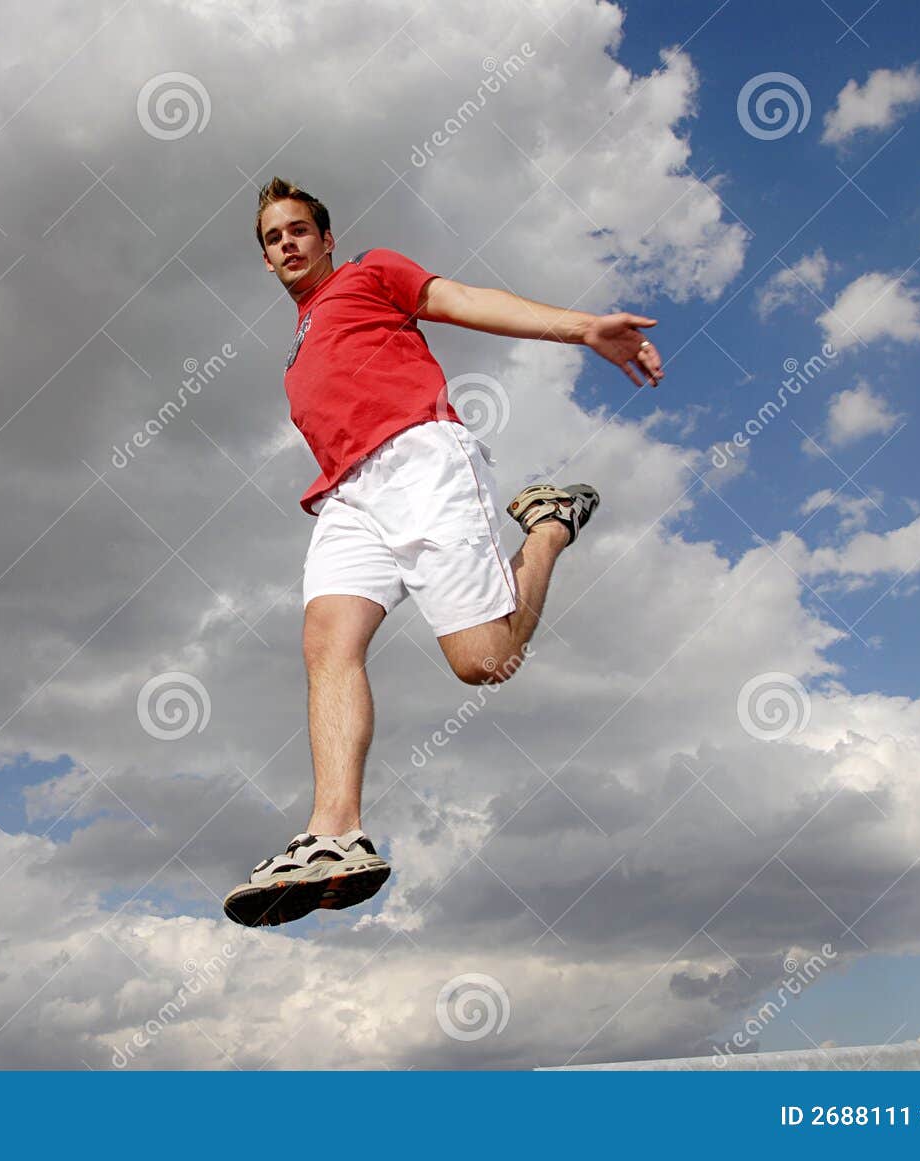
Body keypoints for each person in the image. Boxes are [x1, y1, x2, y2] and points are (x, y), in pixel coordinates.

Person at [222, 177, 663, 927]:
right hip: (347, 495)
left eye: (299, 229)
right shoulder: (297, 348)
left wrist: (582, 326)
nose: (287, 242)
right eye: (273, 237)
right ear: (266, 261)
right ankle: (334, 832)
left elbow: (465, 299)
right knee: (326, 641)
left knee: (482, 662)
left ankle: (549, 526)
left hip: (421, 462)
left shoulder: (370, 274)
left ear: (327, 239)